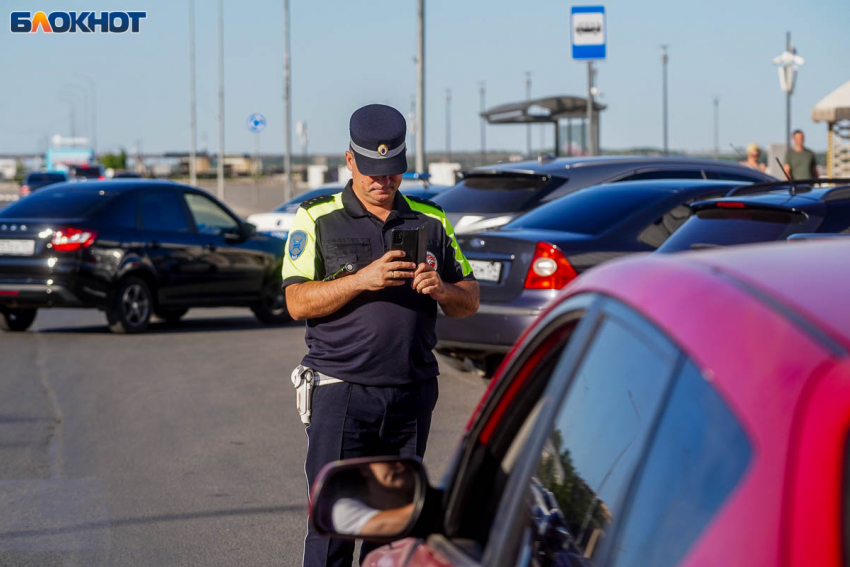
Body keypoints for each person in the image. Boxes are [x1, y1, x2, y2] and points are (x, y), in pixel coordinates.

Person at [282, 103, 479, 567]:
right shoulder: (316, 217)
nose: (381, 182)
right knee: (333, 530)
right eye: (371, 171)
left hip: (410, 395)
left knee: (391, 535)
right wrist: (361, 280)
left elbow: (469, 299)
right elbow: (296, 302)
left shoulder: (431, 219)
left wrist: (443, 288)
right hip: (341, 392)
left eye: (391, 172)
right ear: (350, 161)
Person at [331, 461, 417, 537]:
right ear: (365, 469)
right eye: (387, 461)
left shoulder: (412, 485)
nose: (399, 465)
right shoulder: (344, 509)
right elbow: (385, 525)